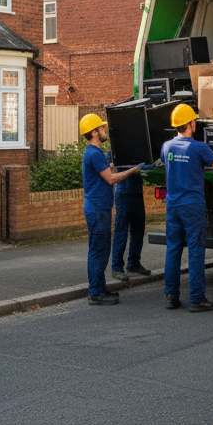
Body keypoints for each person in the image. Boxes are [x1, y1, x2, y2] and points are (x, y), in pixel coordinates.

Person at [160, 103, 213, 312]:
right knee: (195, 250)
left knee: (173, 249)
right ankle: (197, 299)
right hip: (192, 206)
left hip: (173, 205)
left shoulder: (166, 147)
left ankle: (171, 296)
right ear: (191, 124)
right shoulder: (199, 147)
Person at [79, 113, 140, 306]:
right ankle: (96, 292)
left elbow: (108, 170)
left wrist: (118, 165)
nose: (105, 131)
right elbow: (111, 178)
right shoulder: (94, 153)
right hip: (98, 209)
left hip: (98, 208)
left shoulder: (94, 154)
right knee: (98, 250)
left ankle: (99, 287)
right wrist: (133, 170)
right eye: (102, 128)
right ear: (95, 132)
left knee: (101, 249)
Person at [111, 171, 149, 281]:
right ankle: (117, 267)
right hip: (124, 194)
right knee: (121, 232)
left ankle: (134, 263)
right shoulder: (115, 154)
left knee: (138, 231)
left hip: (137, 193)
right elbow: (111, 165)